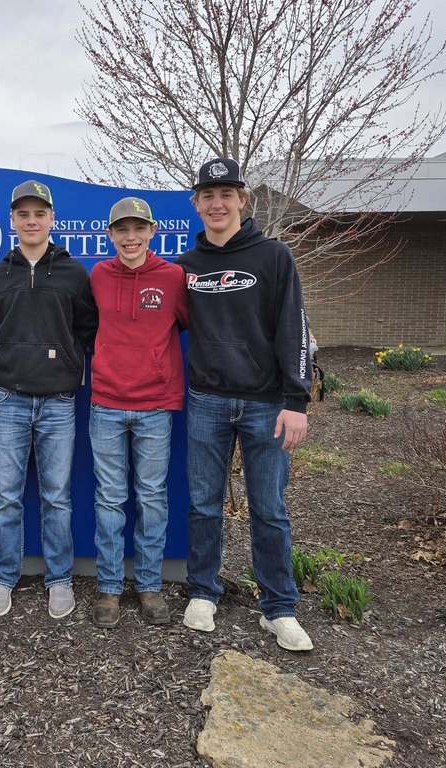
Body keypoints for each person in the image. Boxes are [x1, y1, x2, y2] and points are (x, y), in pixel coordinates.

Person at [177, 158, 314, 651]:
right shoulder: (186, 266)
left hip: (266, 405)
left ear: (242, 200)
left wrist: (296, 399)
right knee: (203, 504)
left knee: (270, 509)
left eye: (226, 194)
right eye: (207, 196)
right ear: (196, 204)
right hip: (206, 400)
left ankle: (279, 608)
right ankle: (203, 592)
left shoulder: (274, 256)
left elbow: (294, 327)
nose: (217, 204)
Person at [0, 180, 98, 619]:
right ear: (12, 220)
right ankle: (3, 575)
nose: (31, 221)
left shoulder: (73, 274)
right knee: (6, 496)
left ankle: (59, 578)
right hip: (7, 400)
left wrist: (66, 363)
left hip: (58, 403)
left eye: (39, 214)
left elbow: (89, 330)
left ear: (51, 219)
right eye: (23, 214)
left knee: (57, 497)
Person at [88, 198, 188, 627]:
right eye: (122, 229)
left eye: (138, 228)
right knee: (110, 499)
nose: (130, 237)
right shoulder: (98, 275)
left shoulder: (173, 277)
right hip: (107, 403)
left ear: (152, 231)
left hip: (155, 406)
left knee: (151, 498)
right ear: (110, 234)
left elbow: (187, 324)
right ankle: (109, 587)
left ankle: (149, 585)